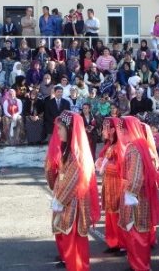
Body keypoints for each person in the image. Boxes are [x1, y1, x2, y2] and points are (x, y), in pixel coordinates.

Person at [44, 111, 100, 271]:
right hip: (66, 202)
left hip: (73, 204)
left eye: (61, 128)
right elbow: (60, 177)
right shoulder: (68, 150)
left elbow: (73, 180)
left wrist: (59, 200)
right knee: (70, 242)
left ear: (69, 129)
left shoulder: (76, 154)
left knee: (74, 242)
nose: (58, 132)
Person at [117, 116, 159, 271]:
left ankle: (140, 266)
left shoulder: (134, 148)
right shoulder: (139, 146)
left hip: (136, 198)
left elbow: (136, 175)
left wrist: (130, 192)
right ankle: (137, 264)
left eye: (122, 130)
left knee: (137, 233)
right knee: (136, 232)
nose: (120, 133)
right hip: (137, 196)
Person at [95, 117, 126, 254]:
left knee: (117, 214)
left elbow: (122, 167)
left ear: (113, 130)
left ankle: (122, 243)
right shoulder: (109, 145)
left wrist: (104, 166)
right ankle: (113, 241)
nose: (102, 131)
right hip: (109, 183)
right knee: (109, 213)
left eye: (105, 128)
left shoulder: (119, 146)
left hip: (117, 185)